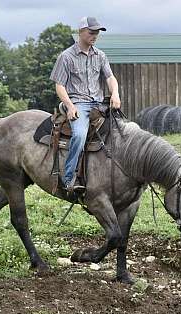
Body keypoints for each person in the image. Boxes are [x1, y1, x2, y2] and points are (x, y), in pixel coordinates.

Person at [50, 16, 121, 193]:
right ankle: (68, 178)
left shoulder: (100, 55)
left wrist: (115, 93)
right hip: (78, 103)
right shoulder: (66, 57)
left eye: (97, 32)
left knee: (122, 131)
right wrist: (70, 106)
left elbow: (110, 77)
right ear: (80, 32)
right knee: (80, 135)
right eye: (91, 32)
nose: (95, 35)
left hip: (98, 103)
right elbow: (59, 85)